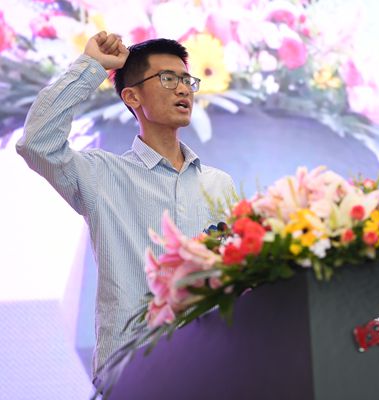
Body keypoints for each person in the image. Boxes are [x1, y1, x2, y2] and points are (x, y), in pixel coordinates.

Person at [16, 31, 236, 387]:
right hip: (133, 371)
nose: (183, 89)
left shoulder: (219, 185)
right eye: (168, 79)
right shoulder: (102, 175)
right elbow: (37, 143)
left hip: (213, 370)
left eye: (187, 80)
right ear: (132, 96)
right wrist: (92, 67)